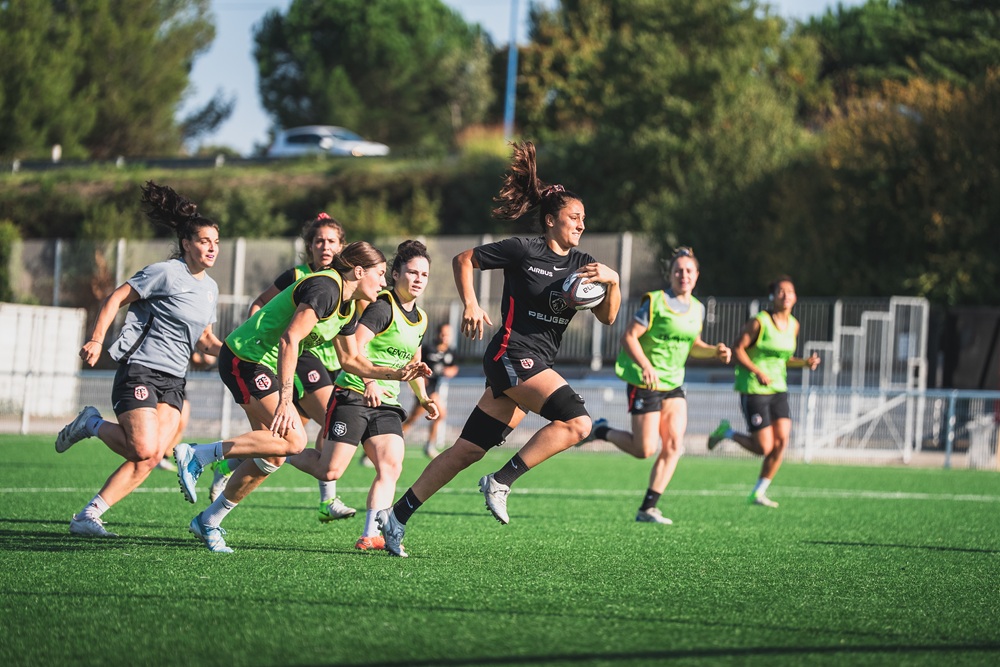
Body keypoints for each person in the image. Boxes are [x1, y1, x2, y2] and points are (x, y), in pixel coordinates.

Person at [376, 140, 622, 557]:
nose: (581, 225)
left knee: (466, 450)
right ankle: (501, 481)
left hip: (535, 363)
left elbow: (608, 318)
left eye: (584, 218)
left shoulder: (585, 265)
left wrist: (613, 281)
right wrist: (471, 304)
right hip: (511, 353)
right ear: (551, 220)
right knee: (579, 423)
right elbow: (463, 259)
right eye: (574, 217)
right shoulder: (524, 250)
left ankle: (395, 517)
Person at [173, 241, 430, 553]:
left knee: (273, 455)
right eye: (379, 274)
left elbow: (351, 361)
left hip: (266, 365)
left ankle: (208, 521)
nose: (383, 281)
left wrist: (397, 374)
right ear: (359, 271)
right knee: (294, 441)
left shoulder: (348, 305)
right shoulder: (326, 288)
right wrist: (285, 400)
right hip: (247, 357)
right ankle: (199, 454)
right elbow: (289, 339)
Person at [54, 181, 223, 537]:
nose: (212, 248)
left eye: (216, 242)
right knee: (143, 447)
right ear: (186, 244)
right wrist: (97, 339)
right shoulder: (165, 272)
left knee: (151, 455)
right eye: (205, 241)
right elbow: (115, 298)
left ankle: (88, 516)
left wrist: (240, 357)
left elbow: (206, 340)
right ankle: (91, 424)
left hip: (174, 380)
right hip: (141, 370)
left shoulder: (211, 288)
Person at [286, 240, 439, 550]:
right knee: (329, 470)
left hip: (387, 404)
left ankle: (370, 534)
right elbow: (355, 348)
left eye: (424, 274)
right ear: (395, 274)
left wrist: (423, 398)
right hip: (354, 394)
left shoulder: (421, 318)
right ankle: (275, 451)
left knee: (390, 465)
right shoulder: (382, 307)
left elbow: (414, 362)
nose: (419, 279)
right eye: (412, 272)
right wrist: (369, 382)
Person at [207, 213, 356, 523]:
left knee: (276, 441)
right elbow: (261, 304)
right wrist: (258, 336)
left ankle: (228, 466)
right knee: (330, 419)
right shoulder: (301, 276)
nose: (325, 246)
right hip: (297, 359)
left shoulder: (350, 286)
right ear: (309, 246)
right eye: (318, 241)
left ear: (342, 246)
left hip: (330, 364)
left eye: (331, 241)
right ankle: (327, 500)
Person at [581, 247, 731, 525]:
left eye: (689, 271)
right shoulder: (656, 302)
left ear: (697, 275)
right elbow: (629, 337)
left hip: (673, 384)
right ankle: (600, 430)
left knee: (673, 445)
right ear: (670, 275)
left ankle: (648, 508)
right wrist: (645, 365)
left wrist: (715, 352)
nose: (683, 275)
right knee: (644, 450)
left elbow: (693, 345)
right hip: (645, 381)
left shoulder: (697, 309)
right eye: (678, 270)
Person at [706, 275, 821, 508]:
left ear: (795, 297)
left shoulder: (794, 325)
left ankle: (758, 492)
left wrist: (804, 363)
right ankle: (727, 433)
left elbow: (784, 358)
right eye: (781, 291)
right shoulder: (760, 322)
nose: (786, 295)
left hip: (778, 388)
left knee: (782, 442)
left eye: (790, 291)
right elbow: (737, 349)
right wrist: (757, 371)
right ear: (772, 296)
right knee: (763, 447)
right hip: (754, 388)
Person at [401, 322, 459, 458]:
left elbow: (454, 367)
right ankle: (392, 440)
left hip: (433, 389)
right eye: (443, 334)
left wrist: (450, 371)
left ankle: (428, 445)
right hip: (424, 389)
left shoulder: (450, 352)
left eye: (448, 334)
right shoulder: (428, 348)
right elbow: (415, 362)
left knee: (419, 418)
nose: (445, 337)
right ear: (438, 334)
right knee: (432, 415)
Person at [157, 351, 217, 473]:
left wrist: (206, 360)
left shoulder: (188, 341)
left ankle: (163, 457)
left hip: (177, 381)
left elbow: (195, 361)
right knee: (160, 422)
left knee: (182, 421)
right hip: (158, 378)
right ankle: (153, 453)